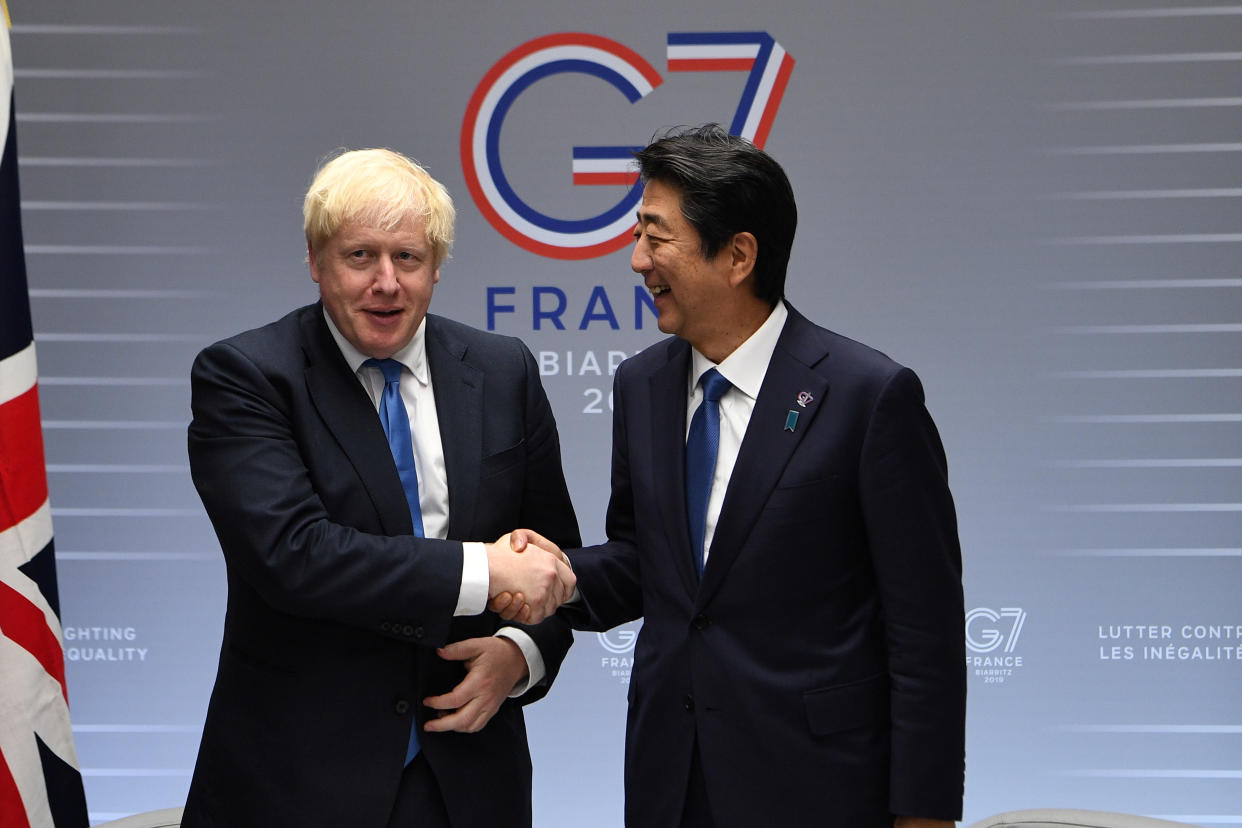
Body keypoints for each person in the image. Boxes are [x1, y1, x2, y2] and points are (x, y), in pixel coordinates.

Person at [515, 125, 966, 827]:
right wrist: (562, 578)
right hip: (672, 781)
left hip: (819, 787)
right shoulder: (642, 385)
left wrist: (926, 814)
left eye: (656, 237)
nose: (637, 261)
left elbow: (925, 633)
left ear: (738, 255)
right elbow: (645, 562)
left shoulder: (867, 396)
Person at [182, 148, 579, 828]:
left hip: (469, 781)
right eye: (360, 256)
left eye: (409, 258)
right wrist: (484, 569)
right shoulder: (247, 376)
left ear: (437, 265)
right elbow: (294, 555)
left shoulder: (502, 370)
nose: (387, 283)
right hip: (299, 783)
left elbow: (553, 561)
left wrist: (521, 656)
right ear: (316, 260)